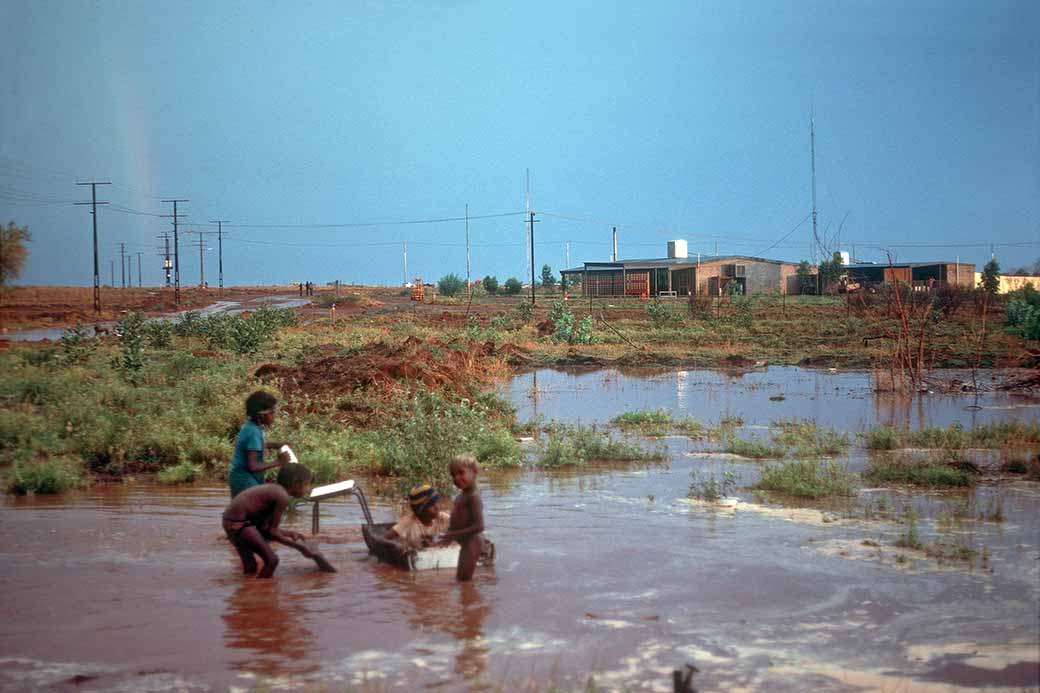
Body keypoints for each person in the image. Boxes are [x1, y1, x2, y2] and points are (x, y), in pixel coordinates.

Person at [222, 464, 315, 578]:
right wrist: (300, 548)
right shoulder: (282, 496)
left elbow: (265, 528)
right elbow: (271, 532)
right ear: (295, 483)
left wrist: (288, 533)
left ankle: (246, 592)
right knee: (272, 561)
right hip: (240, 524)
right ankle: (262, 594)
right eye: (306, 484)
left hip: (230, 522)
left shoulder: (275, 491)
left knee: (250, 567)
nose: (308, 489)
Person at [228, 390, 292, 498]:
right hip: (244, 479)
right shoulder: (253, 432)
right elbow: (253, 466)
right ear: (261, 415)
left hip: (240, 477)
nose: (273, 416)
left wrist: (275, 445)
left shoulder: (252, 427)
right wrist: (278, 462)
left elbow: (254, 447)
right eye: (271, 413)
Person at [440, 454, 485, 581]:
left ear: (475, 472)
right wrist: (449, 535)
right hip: (466, 542)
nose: (457, 478)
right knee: (462, 579)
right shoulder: (463, 494)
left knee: (464, 581)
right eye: (453, 475)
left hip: (472, 543)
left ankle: (471, 600)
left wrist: (453, 534)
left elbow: (479, 526)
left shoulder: (473, 496)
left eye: (461, 473)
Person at [385, 484, 450, 549]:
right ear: (420, 510)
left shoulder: (442, 518)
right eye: (431, 505)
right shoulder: (408, 523)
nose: (437, 507)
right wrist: (396, 546)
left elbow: (459, 528)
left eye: (437, 502)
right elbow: (384, 539)